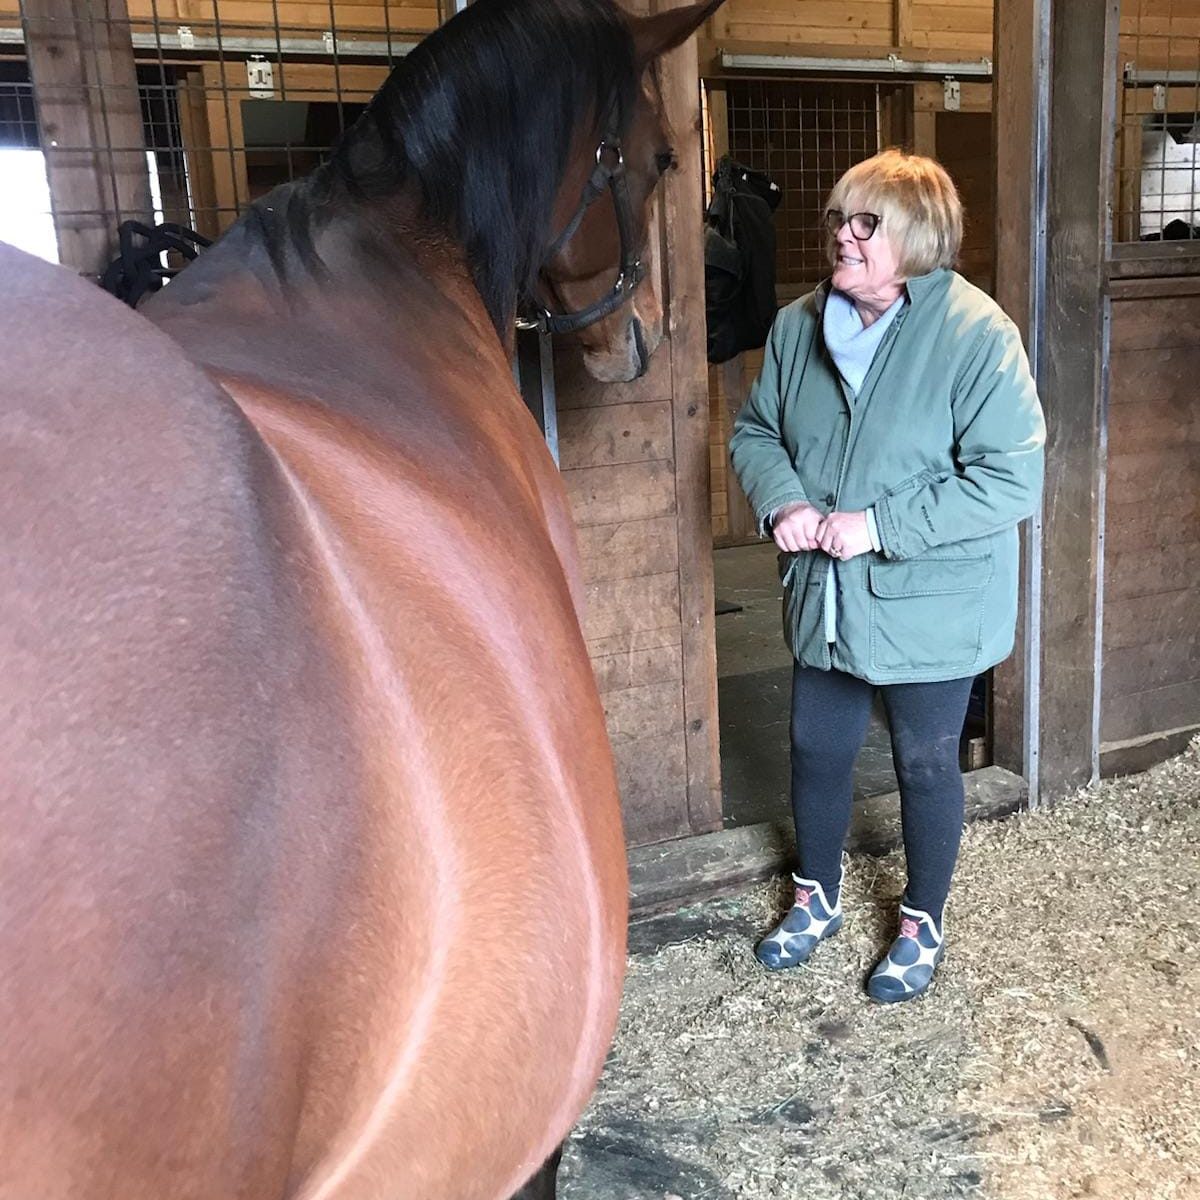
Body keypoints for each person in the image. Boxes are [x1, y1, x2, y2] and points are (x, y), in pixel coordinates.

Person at [729, 149, 1045, 1003]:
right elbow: (757, 432)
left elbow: (1010, 479)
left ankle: (921, 921)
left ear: (918, 239)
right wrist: (783, 500)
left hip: (931, 601)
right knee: (815, 747)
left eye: (867, 222)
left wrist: (877, 527)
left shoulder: (978, 337)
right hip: (824, 596)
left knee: (926, 762)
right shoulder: (798, 328)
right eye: (840, 218)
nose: (844, 235)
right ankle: (817, 896)